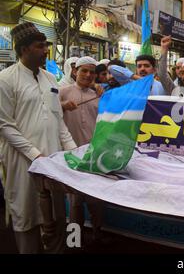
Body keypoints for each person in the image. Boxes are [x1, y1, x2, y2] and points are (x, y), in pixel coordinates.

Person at [0, 22, 77, 253]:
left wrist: (73, 152)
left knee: (55, 215)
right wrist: (36, 155)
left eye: (46, 45)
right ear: (23, 49)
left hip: (52, 161)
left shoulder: (50, 79)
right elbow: (5, 125)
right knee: (26, 215)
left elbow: (58, 119)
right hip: (23, 162)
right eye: (40, 46)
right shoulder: (6, 79)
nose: (46, 50)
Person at [59, 56, 104, 245]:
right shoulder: (62, 92)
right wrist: (61, 106)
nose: (87, 75)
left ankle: (97, 235)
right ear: (75, 71)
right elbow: (47, 112)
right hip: (71, 155)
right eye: (83, 70)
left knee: (96, 199)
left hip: (93, 154)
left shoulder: (98, 94)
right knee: (75, 202)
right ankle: (73, 240)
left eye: (91, 72)